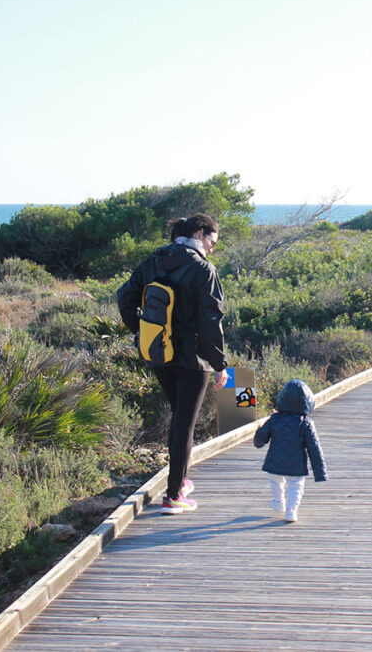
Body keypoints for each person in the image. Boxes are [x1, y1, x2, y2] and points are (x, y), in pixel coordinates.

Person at [117, 214, 228, 515]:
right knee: (184, 423)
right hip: (193, 359)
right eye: (211, 241)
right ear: (198, 233)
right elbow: (210, 321)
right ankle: (173, 496)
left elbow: (124, 297)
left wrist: (139, 331)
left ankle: (180, 480)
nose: (212, 248)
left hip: (158, 353)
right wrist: (219, 364)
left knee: (180, 418)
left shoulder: (154, 260)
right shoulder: (204, 269)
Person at [253, 379, 327, 523]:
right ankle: (292, 510)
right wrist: (320, 472)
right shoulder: (306, 423)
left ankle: (278, 501)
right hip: (296, 464)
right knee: (295, 486)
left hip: (275, 461)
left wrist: (257, 440)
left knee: (275, 480)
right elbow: (314, 448)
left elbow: (261, 437)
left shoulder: (274, 419)